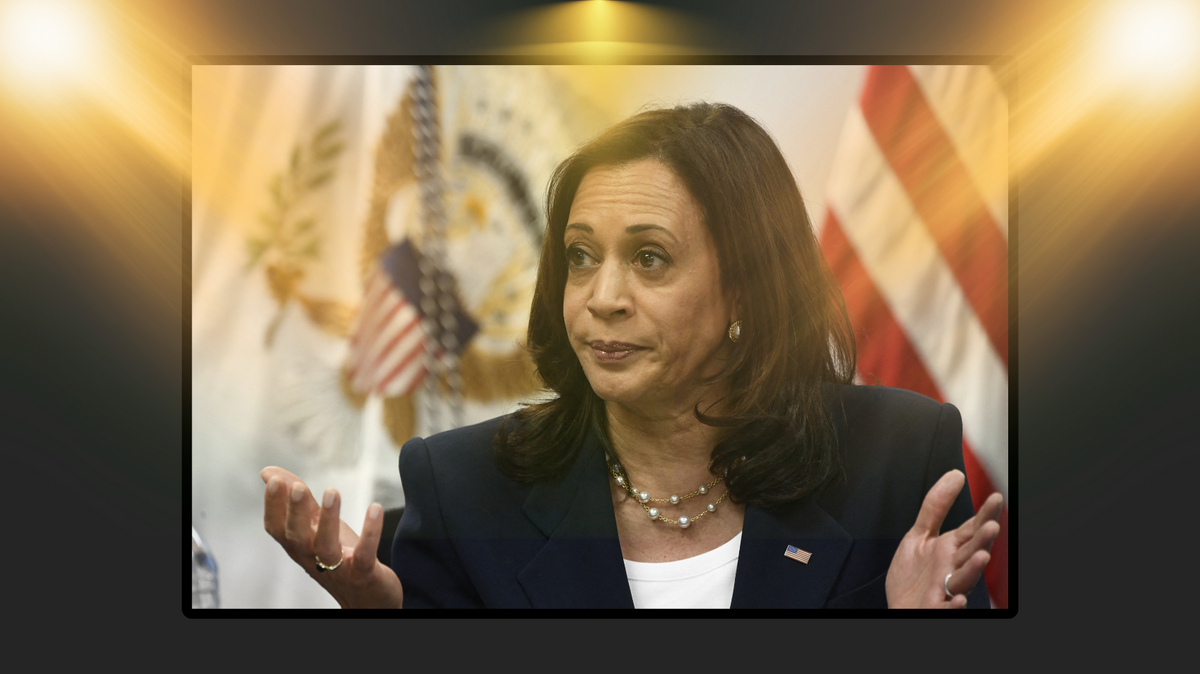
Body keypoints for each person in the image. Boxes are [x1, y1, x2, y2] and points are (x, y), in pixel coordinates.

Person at [261, 102, 1003, 609]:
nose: (601, 296)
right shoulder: (462, 488)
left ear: (746, 285)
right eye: (581, 257)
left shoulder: (899, 457)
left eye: (650, 258)